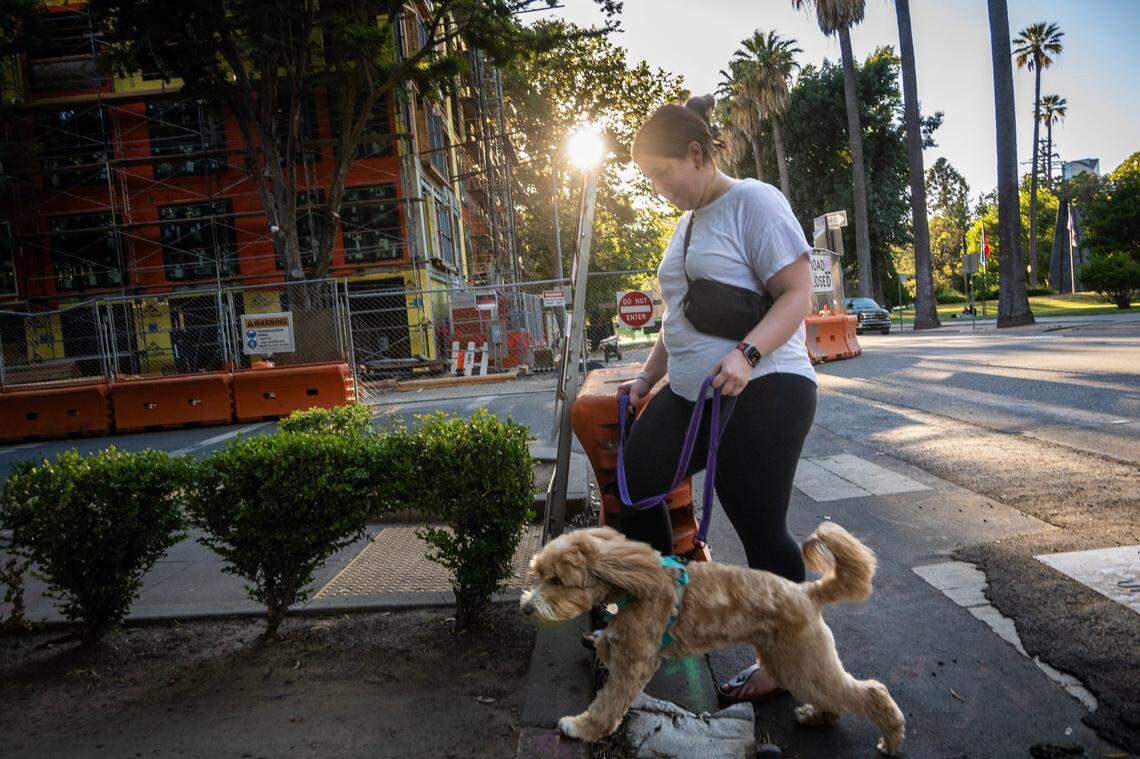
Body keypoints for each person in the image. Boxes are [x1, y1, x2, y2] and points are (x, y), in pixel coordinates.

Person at [616, 94, 818, 704]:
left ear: (698, 155)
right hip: (690, 393)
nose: (656, 188)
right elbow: (678, 319)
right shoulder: (682, 227)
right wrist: (648, 378)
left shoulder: (754, 202)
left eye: (660, 173)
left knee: (758, 523)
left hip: (766, 387)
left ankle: (787, 659)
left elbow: (796, 293)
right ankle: (655, 618)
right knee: (638, 480)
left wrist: (747, 354)